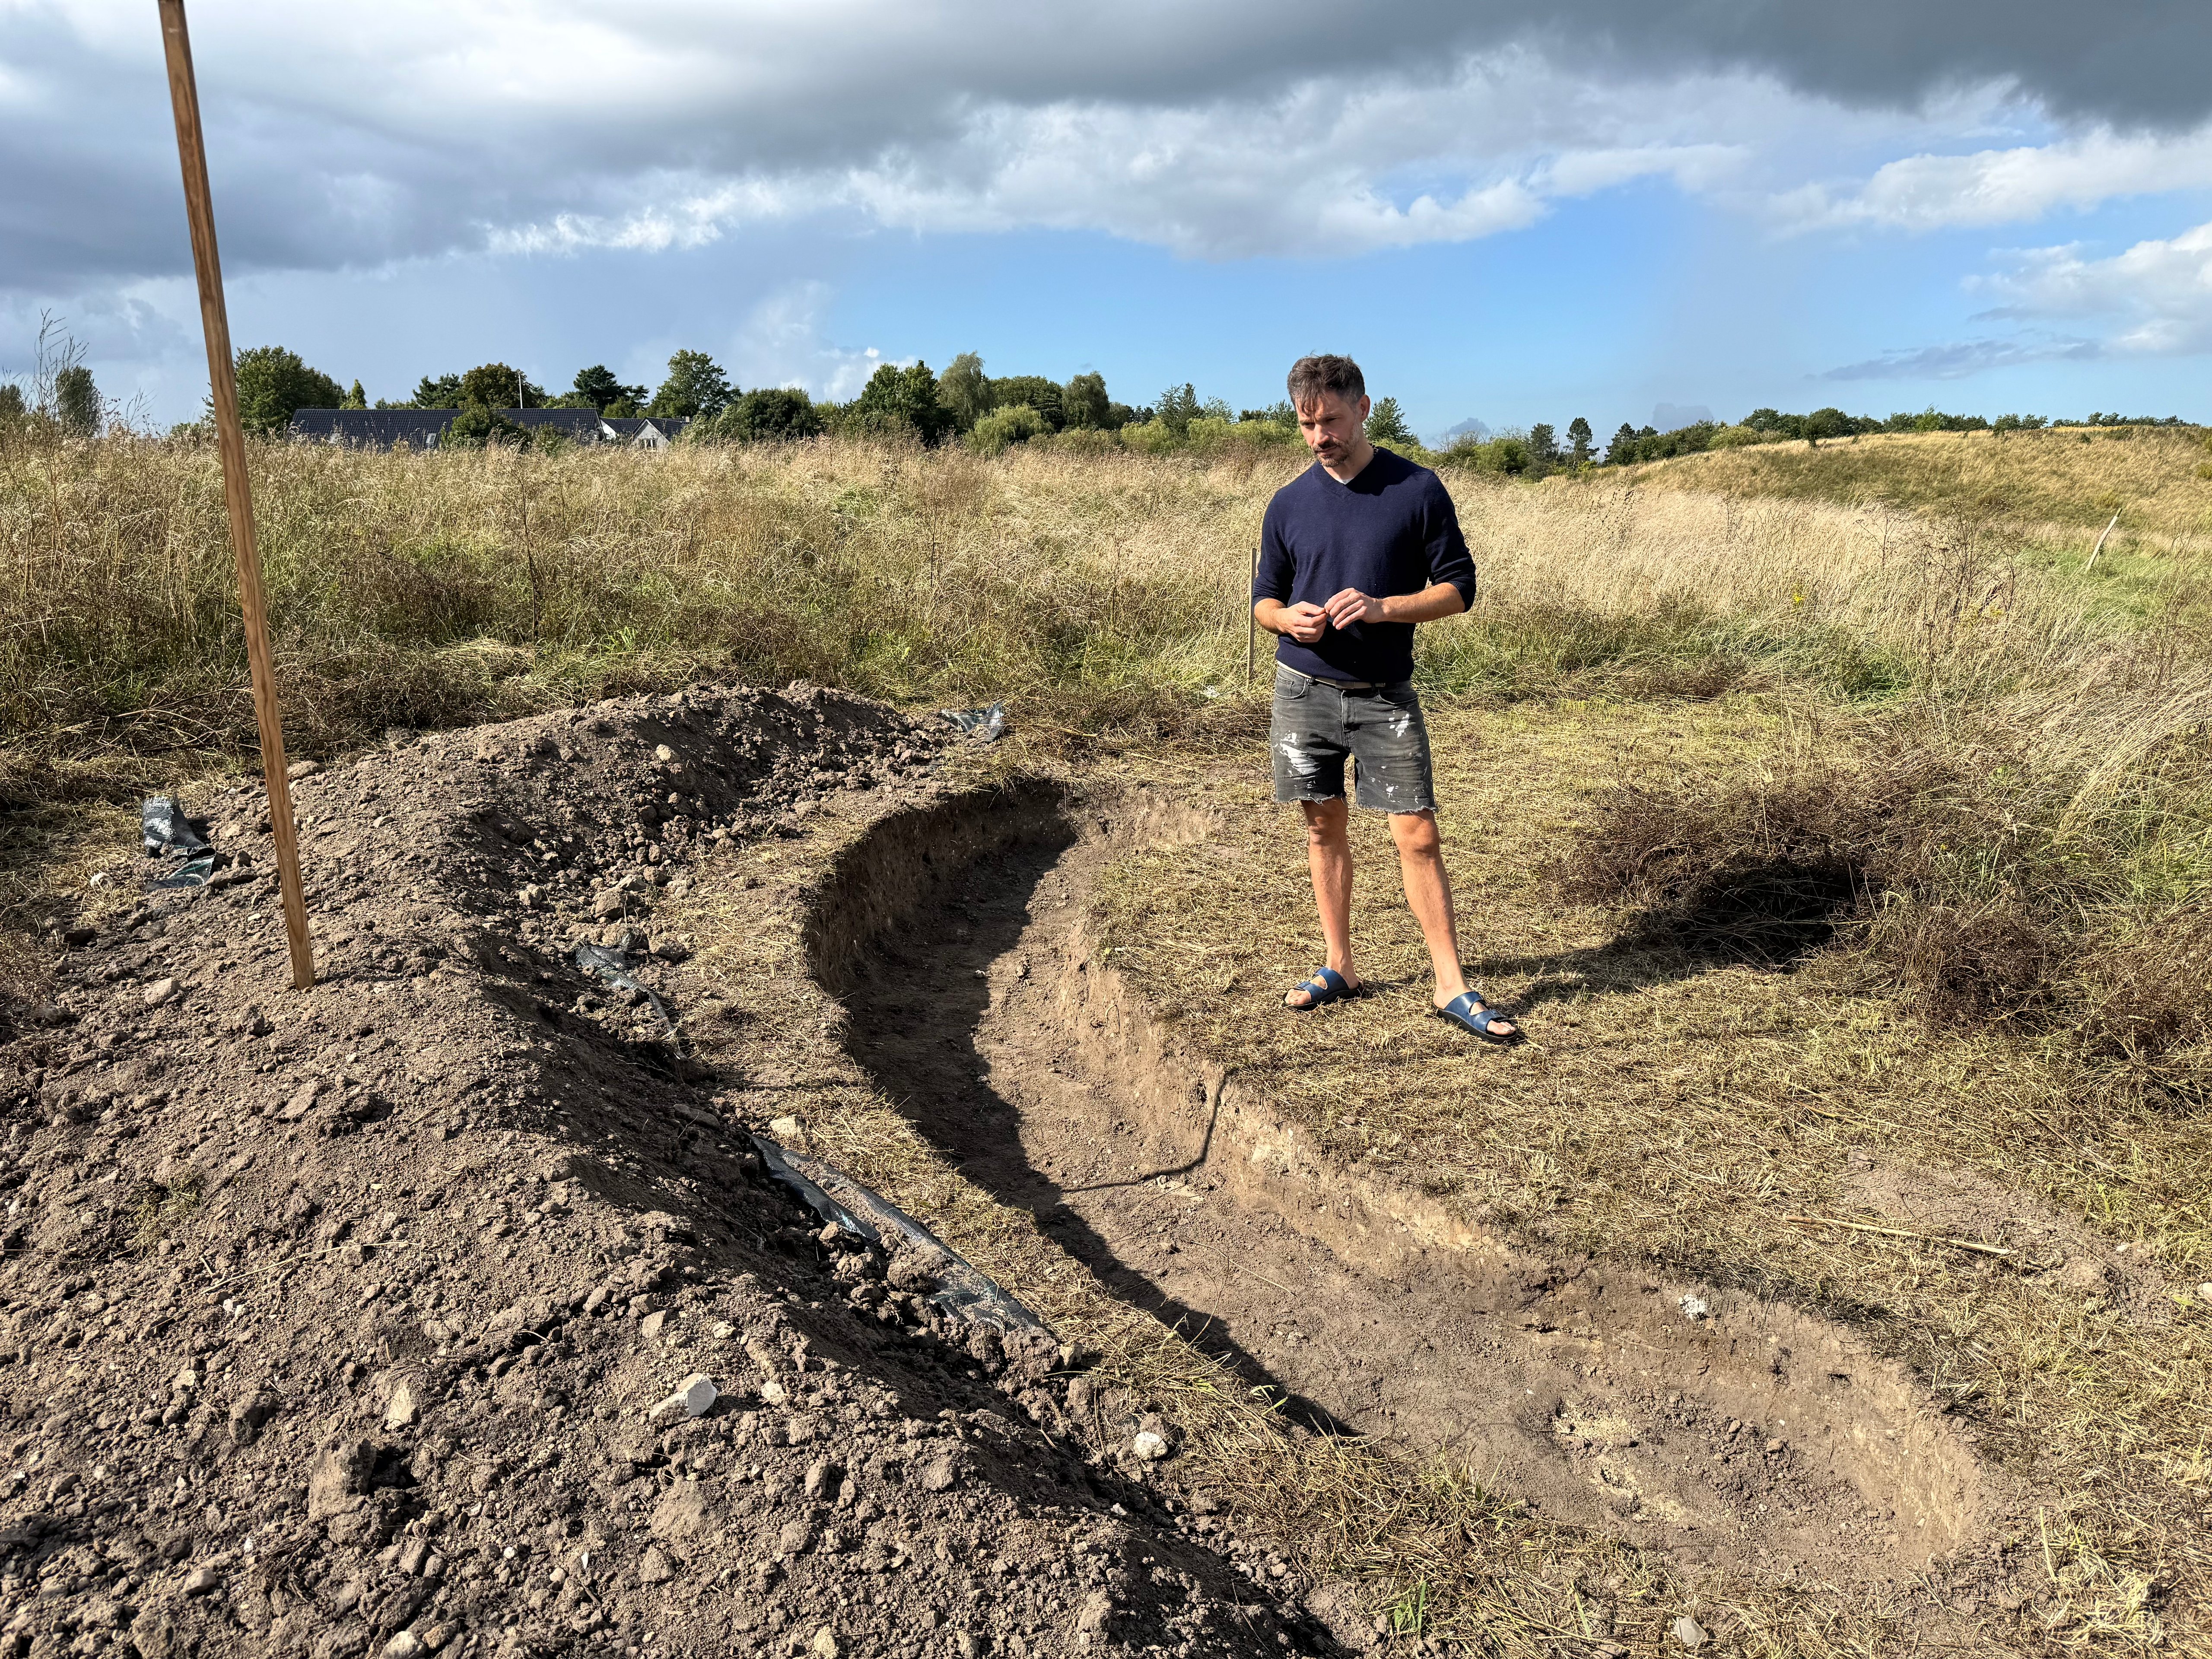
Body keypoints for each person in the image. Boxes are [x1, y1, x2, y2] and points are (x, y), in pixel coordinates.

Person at [1250, 353, 1518, 1042]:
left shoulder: (1417, 489)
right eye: (1307, 425)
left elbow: (1459, 589)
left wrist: (1381, 608)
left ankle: (1450, 986)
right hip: (1301, 690)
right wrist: (1287, 620)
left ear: (1364, 408)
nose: (1319, 438)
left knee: (1417, 834)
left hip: (1382, 696)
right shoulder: (1287, 503)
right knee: (1320, 826)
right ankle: (1339, 965)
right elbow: (1264, 601)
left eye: (1331, 421)